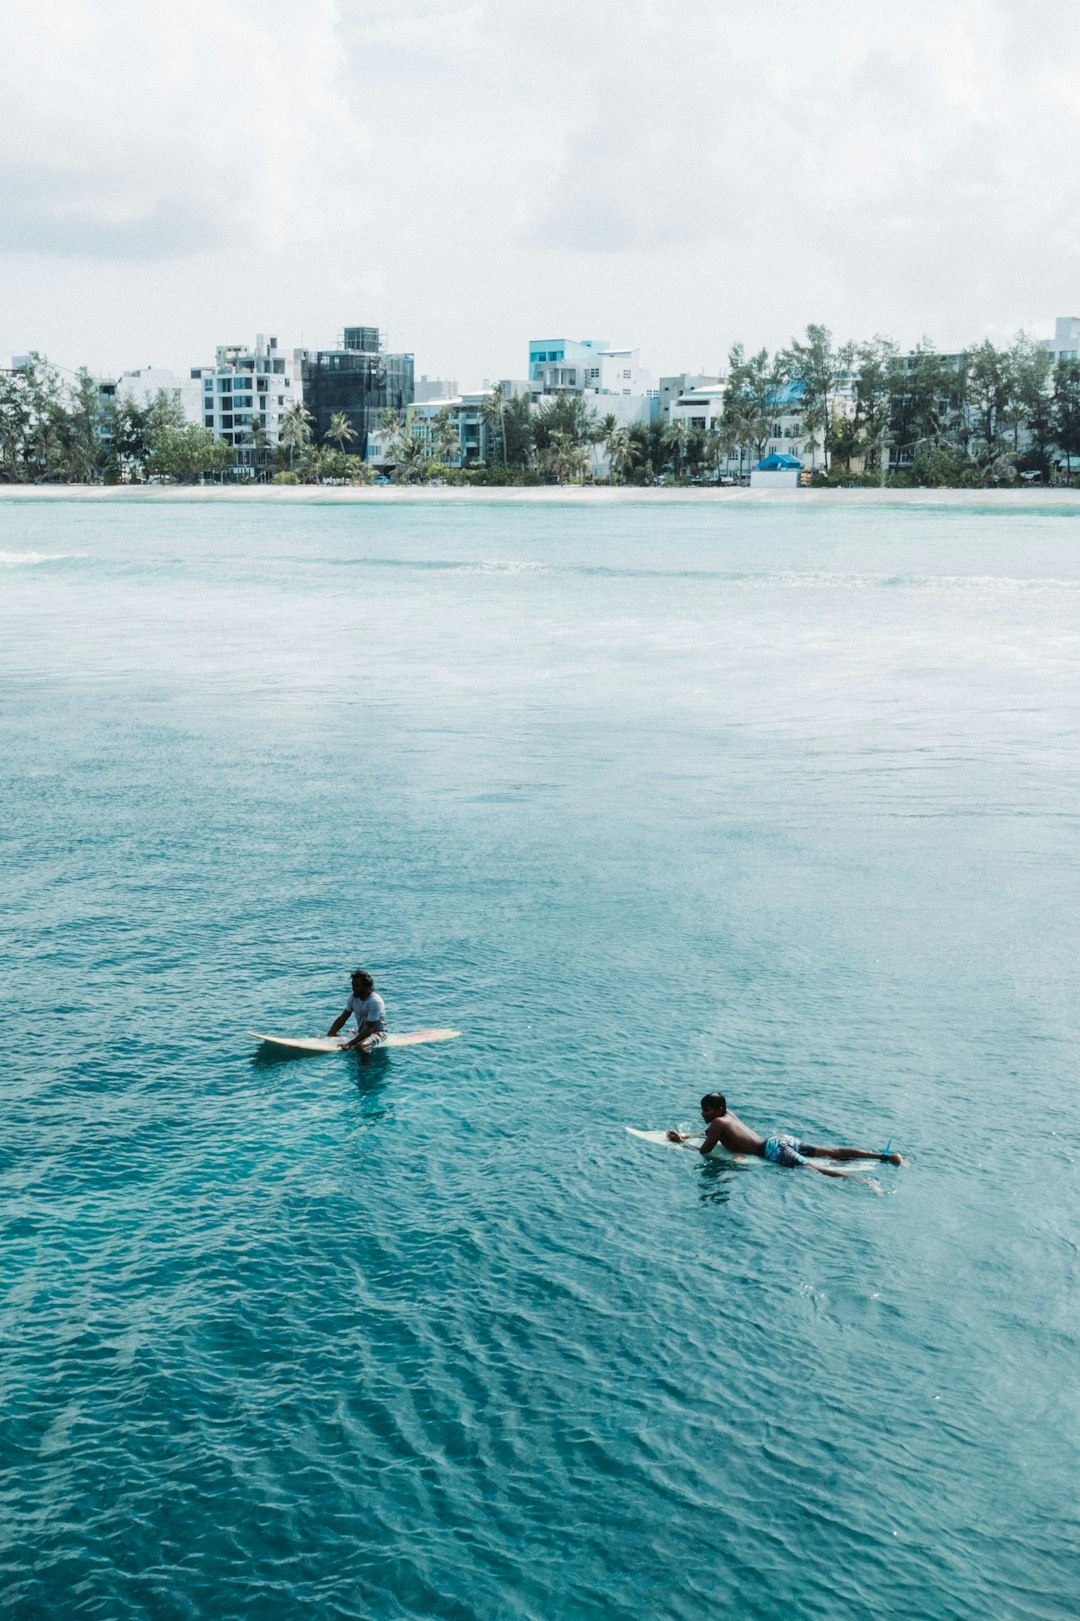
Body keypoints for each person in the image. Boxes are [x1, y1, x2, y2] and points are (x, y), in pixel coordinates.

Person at [667, 1094, 904, 1179]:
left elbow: (704, 1150)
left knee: (814, 1169)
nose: (702, 1113)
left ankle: (866, 1183)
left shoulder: (717, 1122)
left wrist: (682, 1144)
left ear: (717, 1111)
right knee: (831, 1152)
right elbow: (710, 1133)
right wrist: (688, 1134)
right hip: (780, 1139)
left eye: (705, 1110)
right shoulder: (728, 1115)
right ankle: (886, 1157)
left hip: (773, 1151)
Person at [326, 969, 388, 1052]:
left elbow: (369, 1030)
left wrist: (349, 1044)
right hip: (360, 1030)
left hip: (377, 1032)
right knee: (344, 1033)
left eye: (357, 986)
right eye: (353, 985)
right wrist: (330, 1035)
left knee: (360, 1046)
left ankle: (365, 1064)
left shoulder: (375, 1002)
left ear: (366, 987)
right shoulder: (353, 998)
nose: (353, 988)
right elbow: (342, 1018)